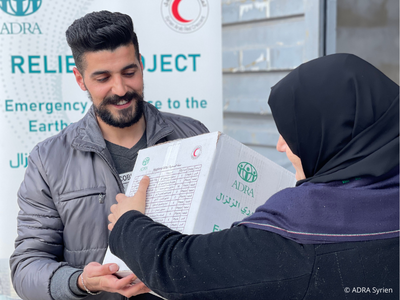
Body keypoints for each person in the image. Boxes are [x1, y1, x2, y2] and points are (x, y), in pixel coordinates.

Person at [108, 53, 399, 300]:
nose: (281, 145)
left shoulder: (300, 233)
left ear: (327, 136)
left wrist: (128, 222)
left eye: (293, 134)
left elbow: (178, 268)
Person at [10, 11, 208, 300]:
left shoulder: (194, 136)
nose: (120, 89)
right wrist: (81, 281)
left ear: (141, 65)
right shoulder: (48, 160)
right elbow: (27, 267)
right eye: (102, 78)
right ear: (80, 79)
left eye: (129, 73)